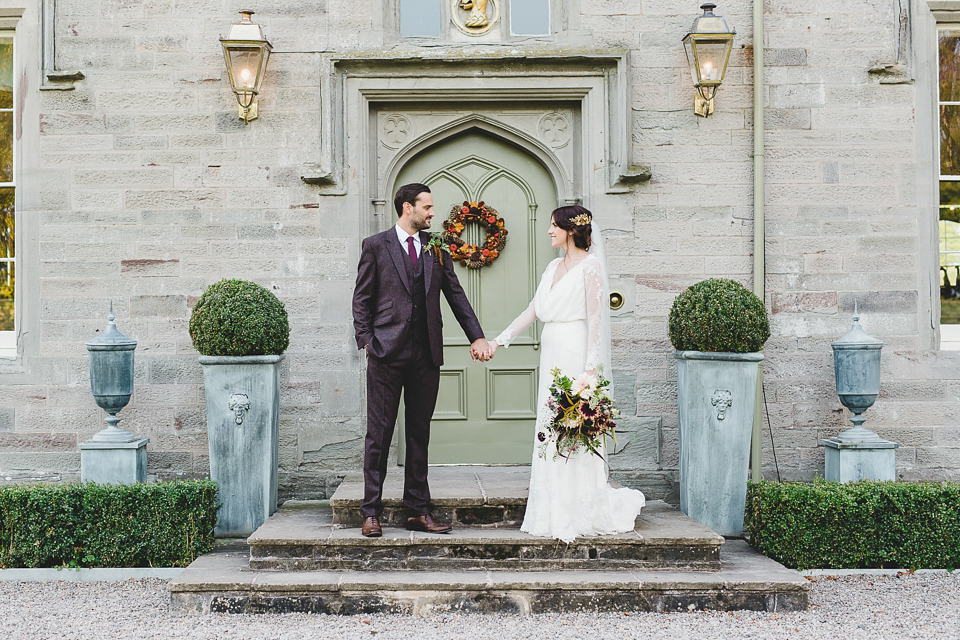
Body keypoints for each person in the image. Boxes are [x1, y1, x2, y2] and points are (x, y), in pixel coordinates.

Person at [486, 205, 645, 543]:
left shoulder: (591, 268)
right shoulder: (552, 266)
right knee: (550, 427)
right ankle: (549, 508)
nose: (549, 232)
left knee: (572, 427)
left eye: (553, 226)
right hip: (552, 353)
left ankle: (579, 509)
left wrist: (590, 370)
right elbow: (534, 309)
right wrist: (499, 340)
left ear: (570, 231)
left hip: (576, 354)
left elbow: (597, 321)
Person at [352, 183, 492, 538]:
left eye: (431, 207)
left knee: (419, 434)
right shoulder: (375, 246)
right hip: (386, 353)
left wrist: (476, 335)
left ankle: (418, 510)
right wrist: (366, 341)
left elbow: (455, 295)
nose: (432, 213)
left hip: (426, 354)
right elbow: (361, 298)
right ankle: (370, 512)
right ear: (406, 208)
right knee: (379, 435)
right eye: (426, 207)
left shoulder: (437, 249)